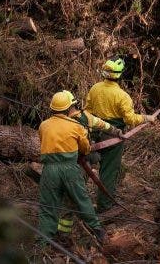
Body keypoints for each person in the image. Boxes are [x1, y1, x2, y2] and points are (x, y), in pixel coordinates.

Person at [85, 57, 154, 213]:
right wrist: (146, 118)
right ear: (120, 75)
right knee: (108, 170)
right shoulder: (122, 96)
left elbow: (87, 111)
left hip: (95, 132)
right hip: (113, 136)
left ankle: (76, 198)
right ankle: (104, 205)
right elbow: (130, 119)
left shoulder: (94, 89)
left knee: (85, 165)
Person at [38, 90, 104, 244]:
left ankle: (42, 242)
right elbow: (86, 149)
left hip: (49, 170)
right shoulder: (76, 126)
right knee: (82, 200)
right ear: (69, 108)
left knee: (48, 206)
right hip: (70, 169)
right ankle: (98, 231)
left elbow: (43, 141)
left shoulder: (43, 125)